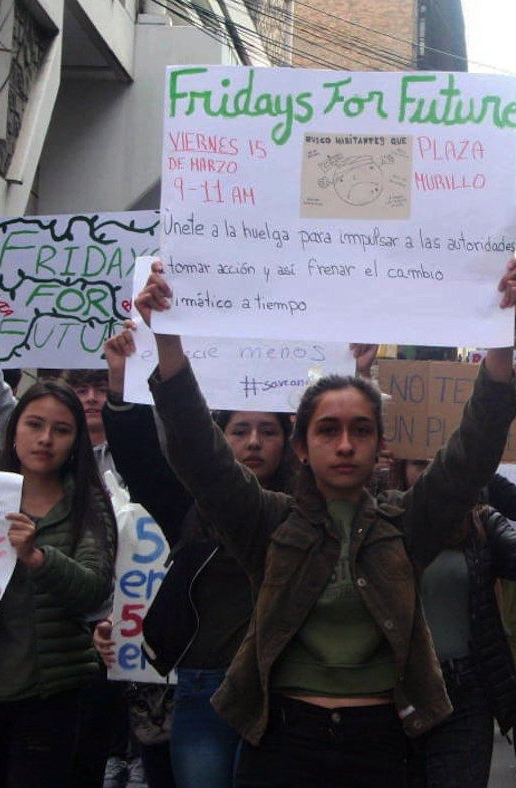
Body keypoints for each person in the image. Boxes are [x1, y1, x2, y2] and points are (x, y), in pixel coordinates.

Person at [136, 258, 516, 786]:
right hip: (282, 741)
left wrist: (499, 338)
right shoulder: (267, 522)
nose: (345, 444)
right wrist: (168, 338)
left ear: (380, 445)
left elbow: (473, 452)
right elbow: (197, 453)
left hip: (384, 741)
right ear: (301, 445)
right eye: (328, 430)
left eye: (361, 430)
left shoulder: (408, 524)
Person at [99, 324, 365, 788]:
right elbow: (140, 459)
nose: (254, 442)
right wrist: (121, 389)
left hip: (286, 690)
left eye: (268, 430)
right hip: (204, 687)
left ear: (291, 443)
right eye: (239, 431)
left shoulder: (310, 508)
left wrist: (355, 375)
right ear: (217, 439)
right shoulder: (190, 506)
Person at [396, 445, 516, 788]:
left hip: (464, 694)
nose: (432, 473)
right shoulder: (384, 523)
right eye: (420, 464)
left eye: (439, 463)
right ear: (400, 468)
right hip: (398, 691)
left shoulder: (481, 522)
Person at [0, 379, 118, 786]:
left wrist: (38, 558)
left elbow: (94, 588)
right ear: (14, 430)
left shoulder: (89, 502)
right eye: (34, 425)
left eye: (61, 430)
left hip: (54, 696)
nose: (45, 439)